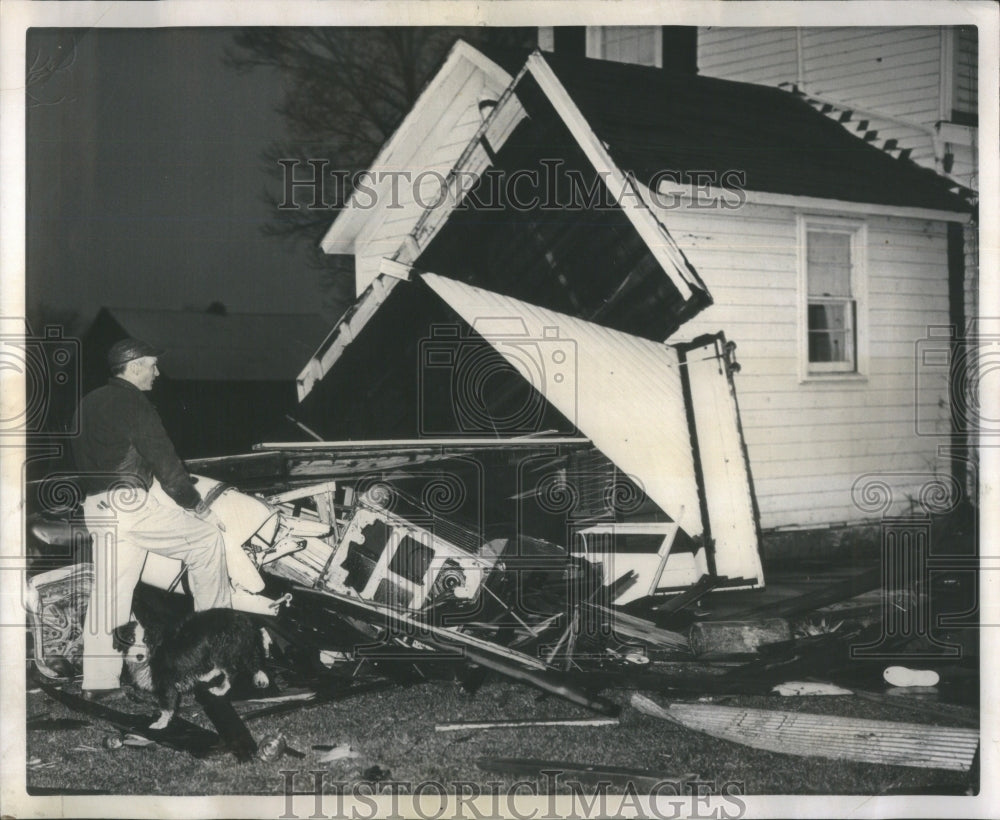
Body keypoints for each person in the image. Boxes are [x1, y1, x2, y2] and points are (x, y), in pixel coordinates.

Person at [72, 338, 232, 696]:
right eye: (152, 365)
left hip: (97, 506)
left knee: (110, 594)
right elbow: (165, 461)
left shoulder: (88, 402)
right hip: (130, 504)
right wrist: (198, 506)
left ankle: (98, 682)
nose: (157, 372)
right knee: (208, 541)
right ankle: (214, 658)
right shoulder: (135, 403)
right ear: (133, 367)